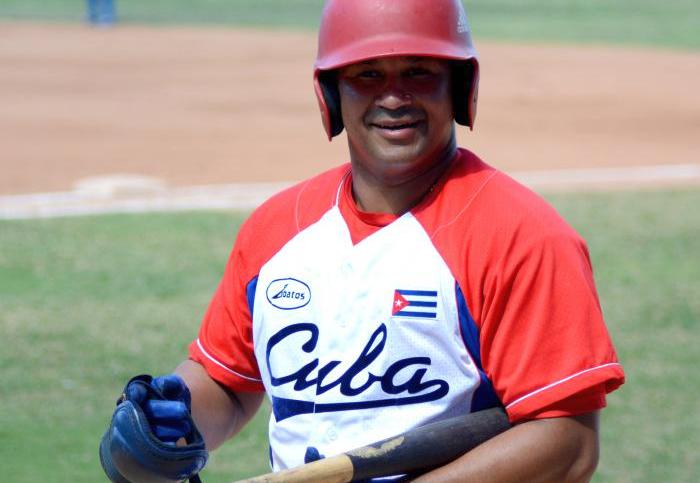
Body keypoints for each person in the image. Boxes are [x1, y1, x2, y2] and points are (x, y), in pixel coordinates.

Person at [99, 1, 625, 481]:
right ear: (332, 92)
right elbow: (229, 382)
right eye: (367, 75)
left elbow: (566, 443)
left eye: (419, 72)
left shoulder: (523, 236)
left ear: (459, 87)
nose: (393, 97)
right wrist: (172, 422)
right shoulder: (278, 227)